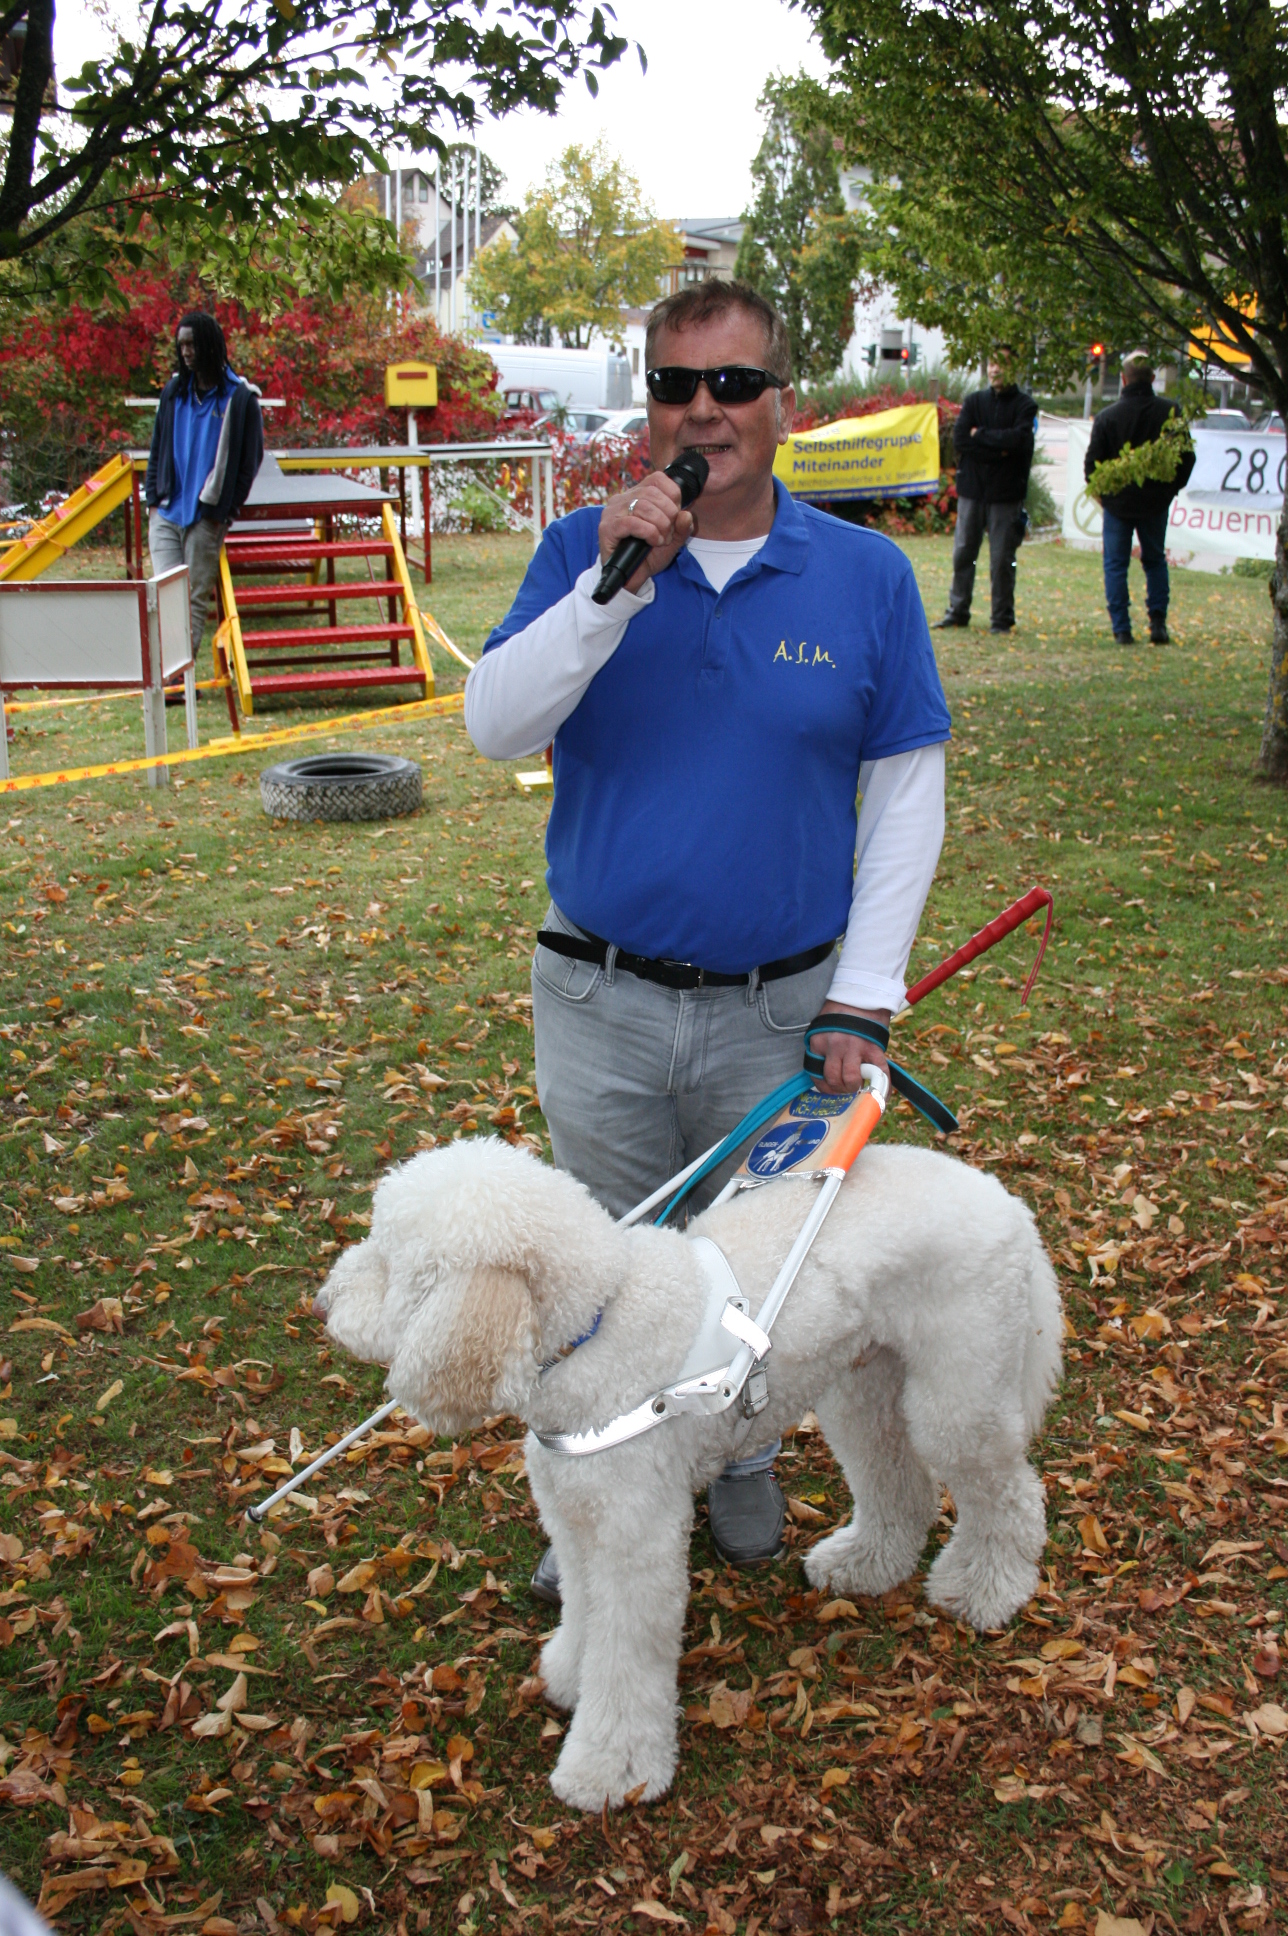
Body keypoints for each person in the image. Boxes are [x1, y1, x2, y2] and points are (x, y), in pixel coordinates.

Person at [464, 278, 951, 1601]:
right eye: (678, 386)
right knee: (603, 1276)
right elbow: (496, 724)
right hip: (602, 1002)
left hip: (782, 1019)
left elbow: (905, 794)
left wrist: (866, 998)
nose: (704, 411)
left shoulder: (865, 576)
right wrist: (617, 593)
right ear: (651, 407)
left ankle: (733, 1460)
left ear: (784, 404)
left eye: (733, 385)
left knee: (750, 1272)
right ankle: (601, 1507)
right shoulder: (584, 551)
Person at [144, 312, 264, 679]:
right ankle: (164, 673)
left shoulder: (239, 399)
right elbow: (157, 446)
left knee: (193, 598)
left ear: (210, 345)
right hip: (166, 510)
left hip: (205, 514)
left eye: (192, 344)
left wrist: (225, 508)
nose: (186, 352)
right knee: (165, 595)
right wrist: (152, 499)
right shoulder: (174, 392)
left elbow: (251, 459)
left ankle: (176, 678)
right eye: (181, 345)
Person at [1084, 350, 1195, 644]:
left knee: (1116, 564)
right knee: (1155, 560)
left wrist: (1105, 499)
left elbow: (1091, 467)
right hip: (1155, 503)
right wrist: (1169, 491)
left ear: (1123, 378)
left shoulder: (1108, 418)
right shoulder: (1170, 414)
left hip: (1118, 504)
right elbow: (1187, 459)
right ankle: (1158, 623)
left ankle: (1121, 628)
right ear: (1153, 379)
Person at [934, 349, 1038, 635]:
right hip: (972, 492)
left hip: (1006, 495)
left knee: (1002, 559)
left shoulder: (1025, 405)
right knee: (963, 553)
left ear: (1013, 368)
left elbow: (1019, 442)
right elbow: (960, 441)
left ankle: (1002, 619)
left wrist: (980, 436)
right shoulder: (974, 402)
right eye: (992, 364)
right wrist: (999, 448)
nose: (995, 370)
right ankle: (957, 612)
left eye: (1001, 364)